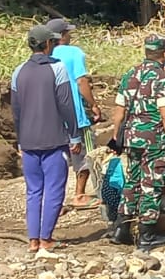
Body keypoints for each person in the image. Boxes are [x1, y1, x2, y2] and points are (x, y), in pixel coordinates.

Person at [106, 34, 165, 252]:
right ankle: (147, 235)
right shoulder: (161, 79)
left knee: (133, 181)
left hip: (131, 139)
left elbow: (119, 112)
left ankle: (121, 230)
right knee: (152, 184)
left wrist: (116, 137)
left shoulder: (130, 74)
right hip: (154, 141)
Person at [10, 23, 80, 258]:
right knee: (54, 189)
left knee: (33, 191)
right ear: (48, 44)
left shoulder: (18, 71)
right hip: (54, 140)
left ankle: (33, 240)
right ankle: (46, 239)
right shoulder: (57, 69)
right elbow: (66, 104)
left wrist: (20, 140)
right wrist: (75, 133)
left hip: (28, 141)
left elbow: (16, 110)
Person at [47, 18, 99, 209]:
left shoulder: (45, 55)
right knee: (86, 153)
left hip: (53, 116)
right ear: (62, 35)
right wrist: (93, 104)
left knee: (57, 159)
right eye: (68, 33)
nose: (70, 36)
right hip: (75, 114)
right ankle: (79, 194)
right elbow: (81, 82)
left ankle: (55, 202)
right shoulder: (74, 53)